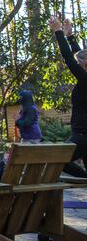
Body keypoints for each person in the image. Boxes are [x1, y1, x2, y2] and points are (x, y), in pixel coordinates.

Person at [51, 15, 87, 177]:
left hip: (83, 136)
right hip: (82, 136)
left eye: (79, 64)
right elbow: (78, 55)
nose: (77, 65)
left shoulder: (85, 78)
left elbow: (68, 57)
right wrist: (70, 36)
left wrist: (58, 31)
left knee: (57, 160)